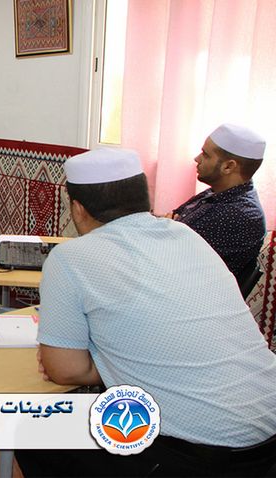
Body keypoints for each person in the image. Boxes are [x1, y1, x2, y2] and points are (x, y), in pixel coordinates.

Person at [18, 148, 276, 476]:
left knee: (32, 429)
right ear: (144, 197)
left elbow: (65, 371)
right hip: (269, 441)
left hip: (193, 456)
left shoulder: (71, 258)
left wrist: (104, 361)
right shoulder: (187, 236)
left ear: (78, 209)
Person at [168, 123, 266, 281]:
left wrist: (170, 227)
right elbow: (173, 220)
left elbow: (168, 253)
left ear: (228, 166)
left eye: (205, 155)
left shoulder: (237, 214)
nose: (197, 159)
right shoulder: (219, 193)